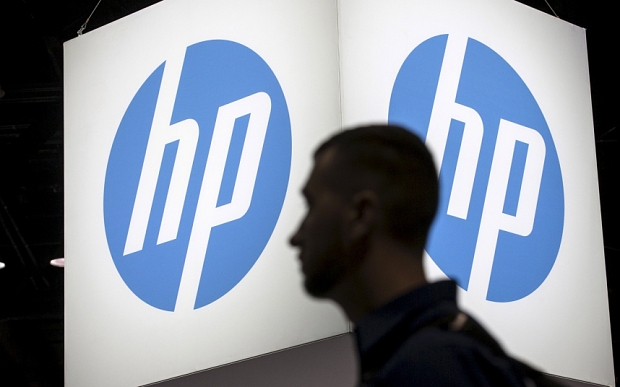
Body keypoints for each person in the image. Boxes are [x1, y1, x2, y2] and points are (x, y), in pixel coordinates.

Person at [289, 124, 532, 386]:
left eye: (311, 206)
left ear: (361, 215)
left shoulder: (428, 368)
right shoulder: (441, 352)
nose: (295, 237)